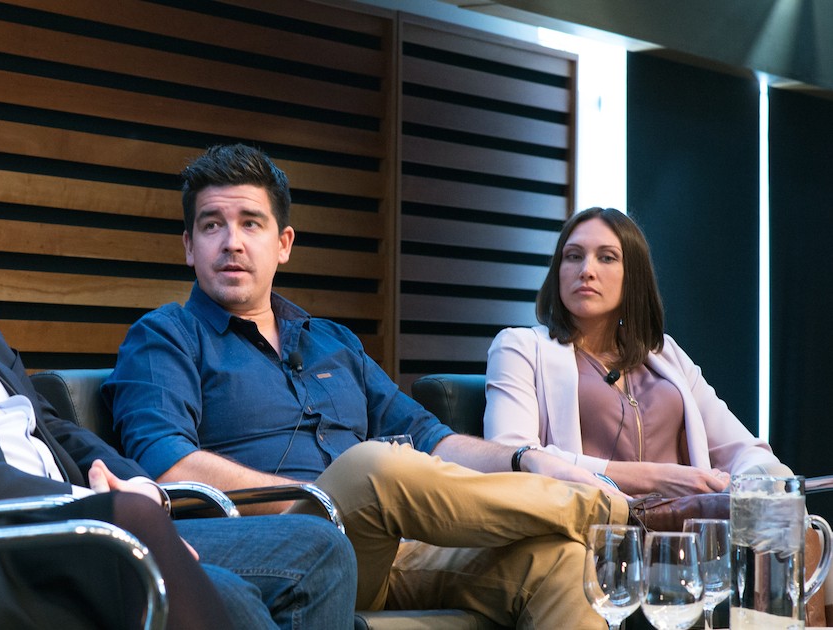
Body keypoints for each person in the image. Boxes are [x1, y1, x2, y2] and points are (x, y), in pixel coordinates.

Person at [0, 78, 357, 630]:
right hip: (21, 531)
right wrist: (77, 505)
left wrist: (140, 488)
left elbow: (44, 420)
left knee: (321, 548)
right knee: (234, 599)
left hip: (97, 516)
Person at [103, 143, 642, 629]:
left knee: (563, 564)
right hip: (283, 541)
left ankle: (590, 508)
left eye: (251, 223)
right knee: (372, 467)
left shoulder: (331, 342)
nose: (231, 242)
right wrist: (310, 504)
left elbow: (431, 438)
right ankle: (619, 511)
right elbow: (168, 465)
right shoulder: (165, 336)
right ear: (189, 246)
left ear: (283, 243)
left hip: (387, 549)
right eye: (211, 225)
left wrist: (523, 459)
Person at [484, 207, 790, 498]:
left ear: (633, 276)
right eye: (573, 257)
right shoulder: (520, 346)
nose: (586, 270)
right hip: (594, 533)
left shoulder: (665, 353)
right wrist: (657, 477)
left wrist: (770, 487)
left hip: (684, 537)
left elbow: (743, 450)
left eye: (606, 258)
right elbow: (513, 454)